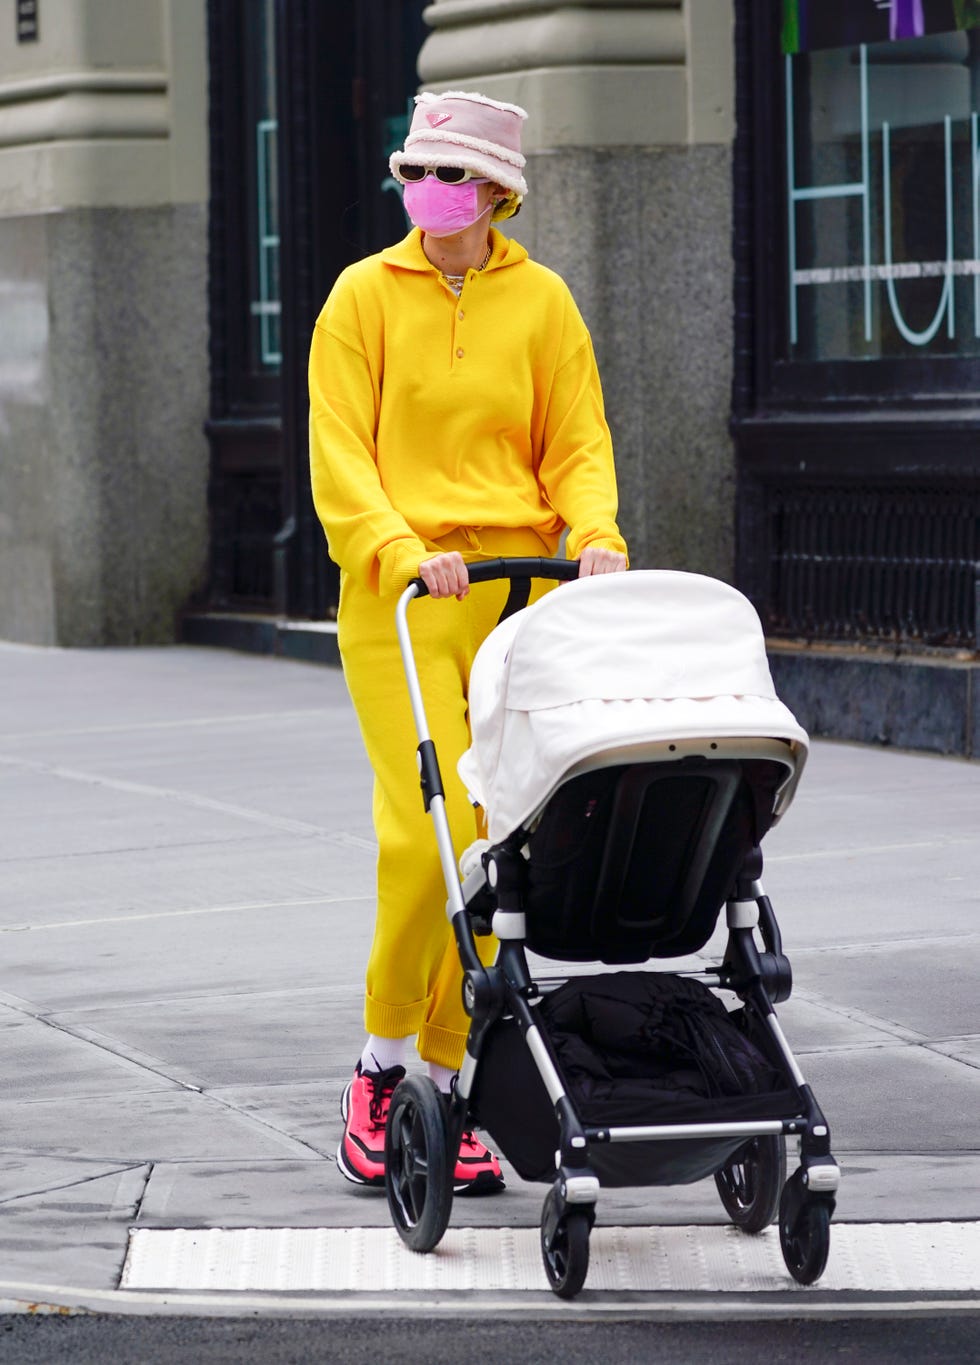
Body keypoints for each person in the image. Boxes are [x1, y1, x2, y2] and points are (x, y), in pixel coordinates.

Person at [308, 90, 628, 1194]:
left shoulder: (541, 304)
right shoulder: (360, 299)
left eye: (447, 175)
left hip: (521, 600)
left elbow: (576, 439)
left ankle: (452, 1080)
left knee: (497, 849)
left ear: (494, 192)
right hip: (403, 601)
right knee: (422, 839)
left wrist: (594, 535)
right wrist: (398, 546)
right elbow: (340, 455)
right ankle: (381, 1065)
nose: (426, 191)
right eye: (414, 172)